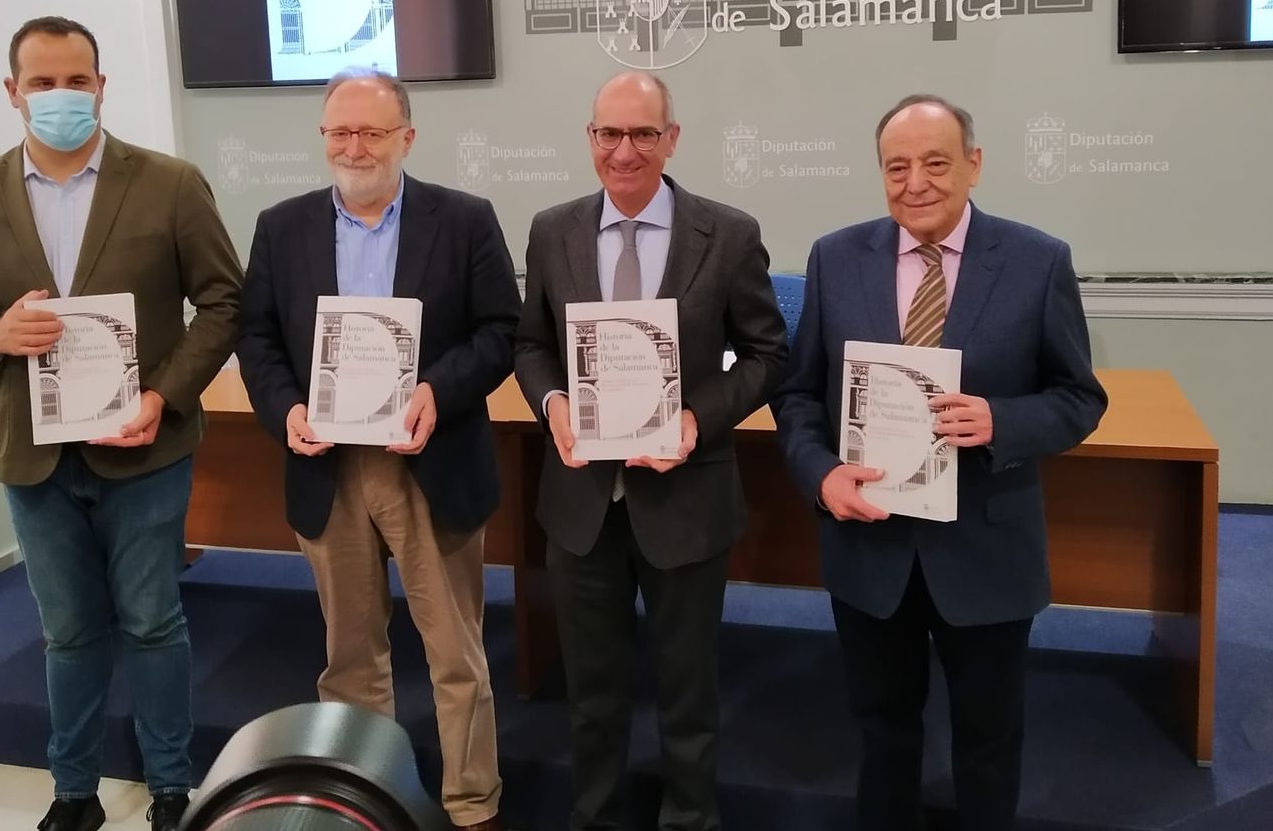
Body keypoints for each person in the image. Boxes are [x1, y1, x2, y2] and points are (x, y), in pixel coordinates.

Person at [0, 17, 243, 831]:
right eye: (42, 82)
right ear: (12, 92)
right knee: (67, 633)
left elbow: (224, 301)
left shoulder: (168, 182)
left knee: (154, 620)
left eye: (76, 80)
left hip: (145, 446)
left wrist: (164, 397)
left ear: (101, 86)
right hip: (32, 454)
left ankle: (172, 786)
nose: (61, 96)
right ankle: (73, 792)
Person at [773, 94, 1108, 831]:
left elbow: (1079, 398)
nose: (915, 182)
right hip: (871, 548)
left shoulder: (1036, 260)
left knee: (988, 744)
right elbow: (798, 398)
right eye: (897, 167)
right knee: (883, 734)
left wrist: (1001, 420)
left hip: (985, 550)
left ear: (974, 165)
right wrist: (822, 475)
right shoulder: (834, 258)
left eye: (935, 163)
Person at [235, 69, 519, 831]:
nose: (354, 146)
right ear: (323, 137)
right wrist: (285, 408)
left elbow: (501, 332)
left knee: (455, 654)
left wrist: (438, 391)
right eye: (339, 131)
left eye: (372, 131)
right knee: (350, 656)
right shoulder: (280, 226)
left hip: (429, 460)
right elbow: (256, 337)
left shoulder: (464, 220)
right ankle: (362, 795)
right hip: (329, 467)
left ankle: (471, 803)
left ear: (407, 138)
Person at [514, 71, 788, 831]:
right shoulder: (551, 228)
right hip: (581, 508)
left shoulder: (727, 234)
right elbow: (531, 346)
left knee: (688, 695)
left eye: (642, 134)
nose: (624, 151)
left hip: (687, 500)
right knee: (592, 696)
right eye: (609, 133)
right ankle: (596, 819)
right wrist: (553, 401)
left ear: (672, 140)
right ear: (589, 139)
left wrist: (698, 419)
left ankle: (690, 821)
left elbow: (769, 355)